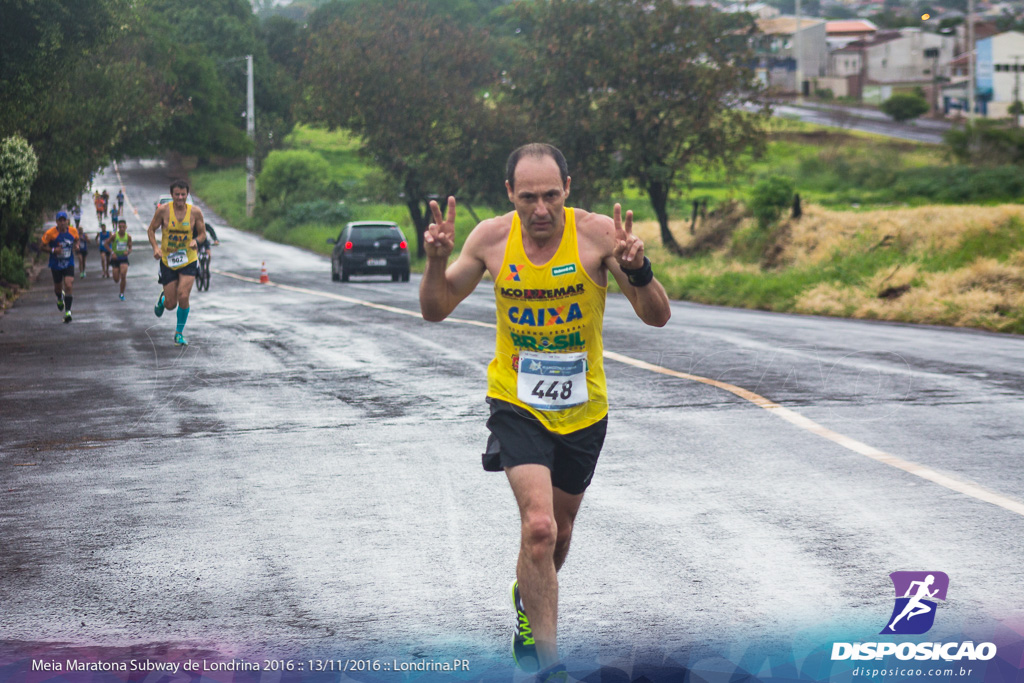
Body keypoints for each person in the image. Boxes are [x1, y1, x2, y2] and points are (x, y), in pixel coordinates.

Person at [419, 144, 671, 676]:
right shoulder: (490, 239)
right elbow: (436, 309)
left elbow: (657, 318)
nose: (540, 209)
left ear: (568, 190)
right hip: (516, 401)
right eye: (528, 196)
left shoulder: (600, 235)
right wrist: (437, 260)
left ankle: (528, 598)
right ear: (510, 193)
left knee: (560, 532)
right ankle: (549, 666)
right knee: (538, 528)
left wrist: (640, 269)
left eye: (551, 195)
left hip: (583, 410)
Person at [147, 179, 206, 346]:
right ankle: (163, 299)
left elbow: (203, 234)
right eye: (177, 195)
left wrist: (196, 241)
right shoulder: (163, 211)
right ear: (172, 195)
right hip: (168, 260)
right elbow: (151, 230)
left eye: (183, 194)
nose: (180, 198)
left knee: (184, 295)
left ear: (187, 195)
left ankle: (179, 333)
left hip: (188, 259)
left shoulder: (195, 212)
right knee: (171, 304)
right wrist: (156, 248)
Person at [40, 211, 80, 323]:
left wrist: (77, 246)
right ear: (57, 222)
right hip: (56, 264)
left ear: (67, 221)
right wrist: (53, 250)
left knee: (68, 284)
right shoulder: (50, 233)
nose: (62, 223)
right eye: (60, 221)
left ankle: (68, 312)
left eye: (64, 220)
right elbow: (41, 246)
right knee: (58, 288)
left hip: (68, 262)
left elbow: (77, 240)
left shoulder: (73, 231)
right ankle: (59, 297)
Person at [105, 219, 132, 300]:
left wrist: (128, 252)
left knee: (123, 276)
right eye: (120, 227)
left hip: (123, 258)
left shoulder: (128, 237)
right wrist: (112, 252)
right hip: (115, 259)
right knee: (116, 279)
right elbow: (106, 244)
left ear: (126, 227)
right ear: (118, 227)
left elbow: (130, 248)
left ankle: (121, 293)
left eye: (123, 227)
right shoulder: (114, 236)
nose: (122, 228)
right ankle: (119, 271)